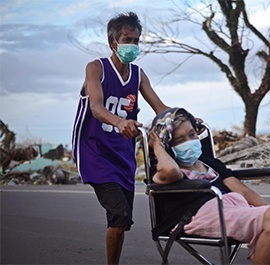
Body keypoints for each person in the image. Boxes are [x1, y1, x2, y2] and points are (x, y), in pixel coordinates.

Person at [148, 107, 270, 265]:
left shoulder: (209, 163)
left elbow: (242, 189)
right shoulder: (166, 170)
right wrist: (157, 145)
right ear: (167, 146)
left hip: (232, 208)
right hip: (196, 215)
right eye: (180, 140)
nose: (190, 142)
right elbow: (170, 171)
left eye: (192, 135)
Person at [71, 12, 169, 265]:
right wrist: (120, 121)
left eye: (136, 41)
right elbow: (96, 107)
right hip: (95, 153)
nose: (132, 46)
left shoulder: (138, 74)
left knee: (122, 222)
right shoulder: (96, 68)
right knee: (120, 215)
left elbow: (160, 107)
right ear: (113, 41)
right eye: (127, 39)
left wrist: (187, 118)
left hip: (123, 156)